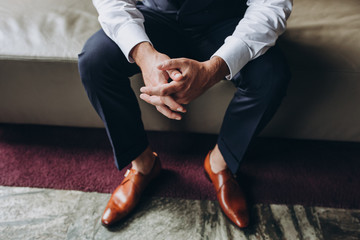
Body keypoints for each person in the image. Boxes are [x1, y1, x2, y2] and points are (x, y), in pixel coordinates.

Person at [78, 0, 292, 229]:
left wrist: (214, 69)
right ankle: (143, 163)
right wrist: (144, 54)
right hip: (156, 15)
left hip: (226, 19)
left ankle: (220, 163)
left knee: (271, 74)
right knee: (94, 61)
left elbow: (272, 5)